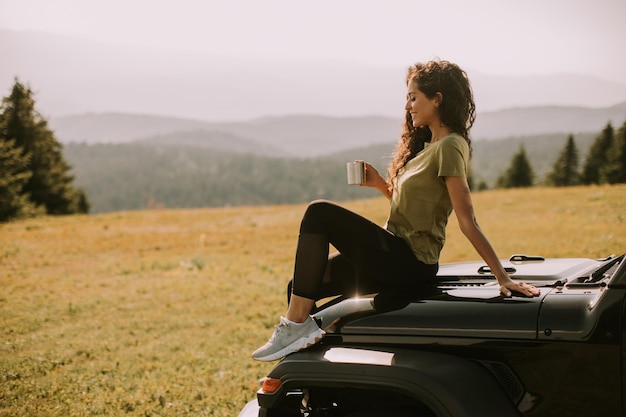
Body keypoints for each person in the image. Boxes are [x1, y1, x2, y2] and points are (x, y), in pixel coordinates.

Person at [252, 60, 540, 362]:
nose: (408, 105)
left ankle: (295, 326)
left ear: (437, 99)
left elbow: (468, 220)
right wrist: (380, 185)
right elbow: (413, 210)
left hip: (410, 261)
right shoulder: (429, 147)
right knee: (301, 285)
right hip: (392, 254)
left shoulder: (451, 146)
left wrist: (502, 277)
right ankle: (308, 366)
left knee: (318, 213)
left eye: (414, 97)